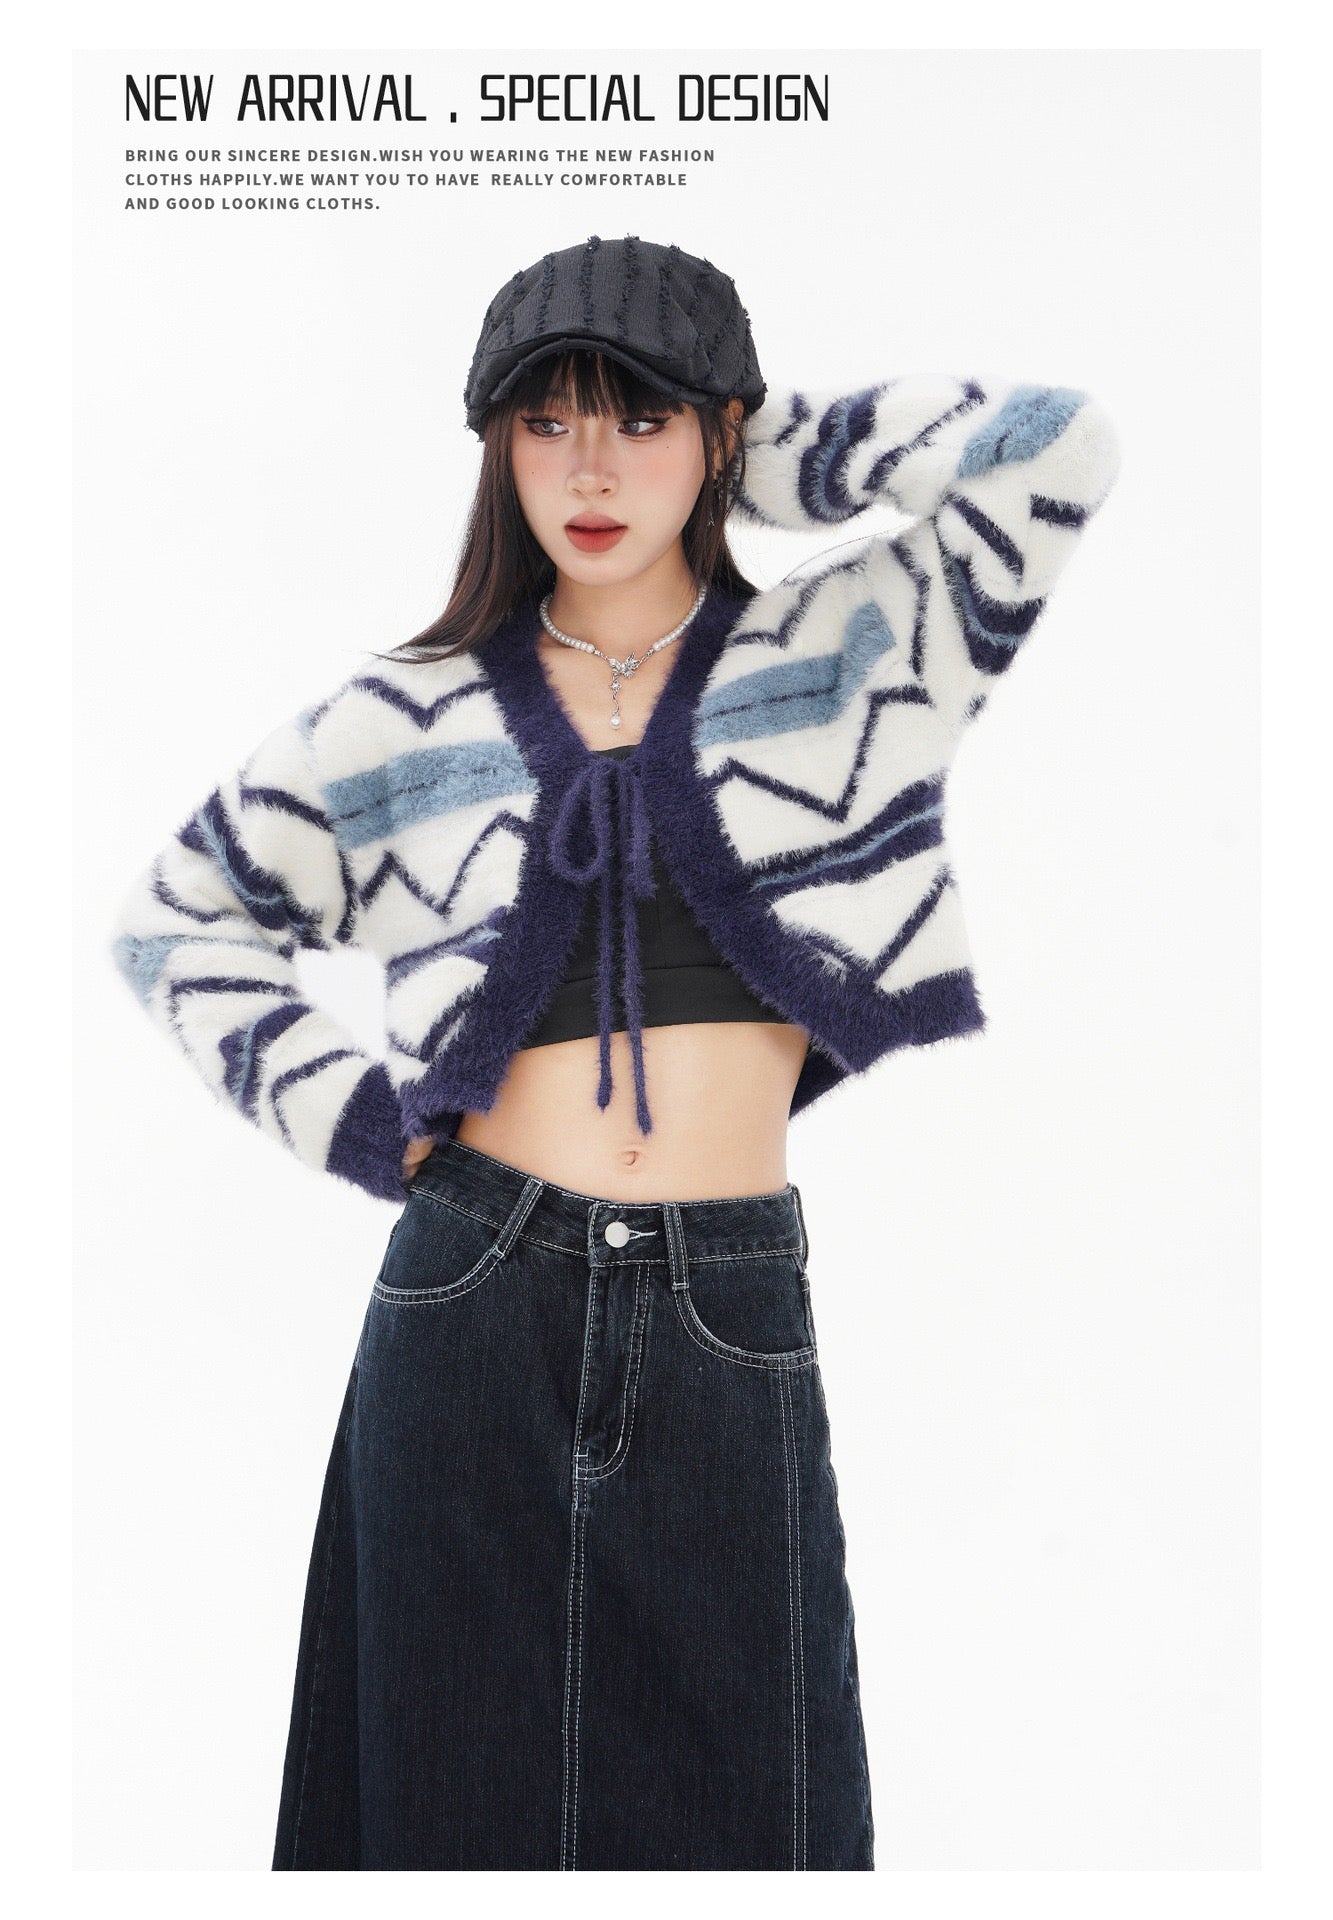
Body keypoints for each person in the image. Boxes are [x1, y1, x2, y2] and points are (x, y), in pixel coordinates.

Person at [109, 233, 1121, 1871]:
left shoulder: (845, 660)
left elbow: (1054, 447)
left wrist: (757, 446)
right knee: (448, 1809)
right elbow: (174, 923)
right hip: (470, 1296)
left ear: (717, 429)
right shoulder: (402, 715)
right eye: (546, 421)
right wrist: (361, 1123)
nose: (587, 468)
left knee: (756, 1813)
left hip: (726, 1300)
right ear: (495, 444)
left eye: (638, 418)